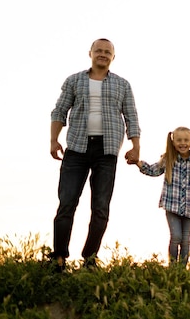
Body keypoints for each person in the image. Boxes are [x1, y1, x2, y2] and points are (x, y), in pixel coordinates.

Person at [50, 38, 141, 270]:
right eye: (98, 51)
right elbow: (59, 111)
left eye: (107, 52)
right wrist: (54, 140)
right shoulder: (74, 80)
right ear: (90, 53)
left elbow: (131, 116)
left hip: (107, 151)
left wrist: (135, 146)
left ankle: (89, 259)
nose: (102, 54)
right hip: (77, 149)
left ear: (113, 56)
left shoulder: (122, 84)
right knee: (66, 203)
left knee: (101, 208)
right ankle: (58, 258)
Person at [131, 127, 190, 267]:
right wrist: (139, 163)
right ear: (173, 142)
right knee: (176, 237)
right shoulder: (168, 159)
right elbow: (153, 170)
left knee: (185, 240)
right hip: (172, 205)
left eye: (186, 140)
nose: (182, 143)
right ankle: (173, 267)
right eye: (179, 140)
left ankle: (182, 269)